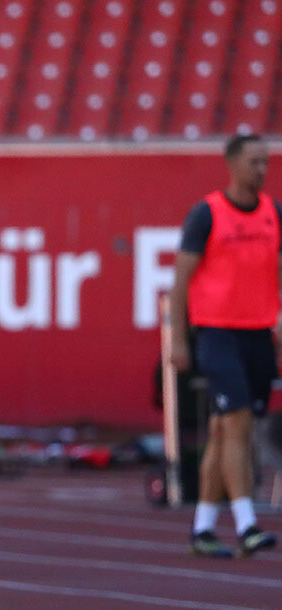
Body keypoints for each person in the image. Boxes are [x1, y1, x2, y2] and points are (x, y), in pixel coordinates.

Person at [169, 133, 280, 558]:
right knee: (237, 422)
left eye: (265, 161)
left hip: (258, 334)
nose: (261, 169)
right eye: (253, 161)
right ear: (231, 164)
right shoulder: (208, 214)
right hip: (217, 334)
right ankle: (247, 524)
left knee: (223, 432)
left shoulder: (273, 213)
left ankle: (202, 528)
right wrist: (179, 340)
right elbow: (180, 282)